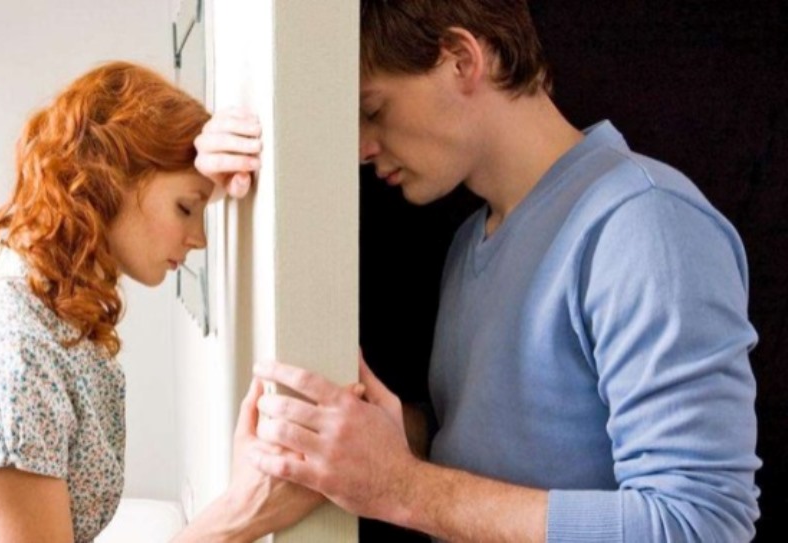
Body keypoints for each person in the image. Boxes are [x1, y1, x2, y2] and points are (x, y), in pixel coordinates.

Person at [194, 0, 762, 541]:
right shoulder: (473, 241)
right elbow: (500, 453)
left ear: (461, 60)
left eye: (373, 109)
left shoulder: (643, 222)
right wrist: (386, 437)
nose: (362, 147)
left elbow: (699, 525)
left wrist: (400, 487)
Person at [0, 61, 326, 543]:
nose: (199, 239)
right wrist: (241, 514)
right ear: (110, 179)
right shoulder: (13, 353)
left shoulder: (29, 286)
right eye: (186, 208)